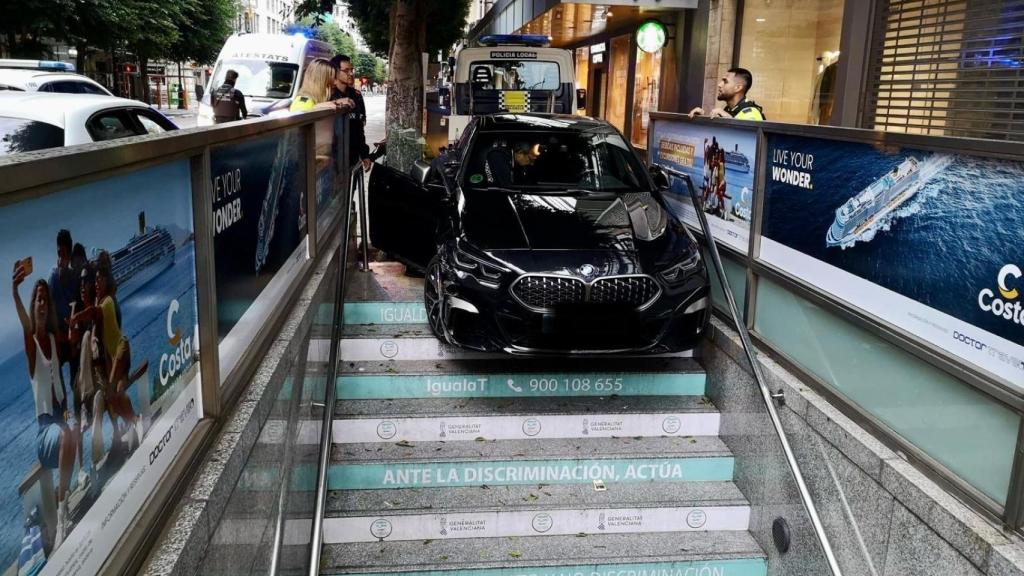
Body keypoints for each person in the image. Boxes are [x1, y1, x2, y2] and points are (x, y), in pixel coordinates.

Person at [13, 262, 76, 547]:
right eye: (38, 298)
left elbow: (60, 385)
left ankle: (64, 504)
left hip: (60, 419)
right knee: (66, 435)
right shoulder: (32, 344)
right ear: (33, 304)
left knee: (73, 430)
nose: (41, 302)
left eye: (44, 298)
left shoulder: (52, 338)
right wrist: (15, 291)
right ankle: (62, 518)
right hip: (44, 430)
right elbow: (26, 327)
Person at [330, 54, 369, 170]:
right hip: (332, 160)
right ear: (335, 72)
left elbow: (359, 128)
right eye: (346, 70)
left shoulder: (356, 96)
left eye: (351, 70)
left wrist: (364, 154)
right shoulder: (327, 96)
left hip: (352, 158)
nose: (351, 73)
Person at [688, 67, 765, 121]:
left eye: (725, 81)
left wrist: (728, 119)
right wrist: (701, 119)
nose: (719, 84)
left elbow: (748, 141)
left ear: (738, 88)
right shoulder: (728, 110)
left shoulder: (751, 114)